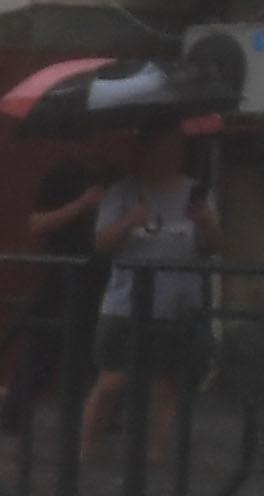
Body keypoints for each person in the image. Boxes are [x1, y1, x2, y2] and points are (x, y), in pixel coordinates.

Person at [84, 138, 215, 453]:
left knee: (166, 386)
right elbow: (101, 243)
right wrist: (130, 220)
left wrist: (208, 225)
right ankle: (89, 448)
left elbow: (212, 246)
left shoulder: (198, 194)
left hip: (178, 303)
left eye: (171, 148)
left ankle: (156, 456)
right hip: (126, 303)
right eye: (156, 148)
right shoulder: (122, 192)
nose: (165, 156)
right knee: (113, 381)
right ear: (144, 151)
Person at [3, 160, 101, 433]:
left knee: (100, 351)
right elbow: (37, 224)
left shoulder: (108, 177)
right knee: (45, 349)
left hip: (100, 275)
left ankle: (102, 417)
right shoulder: (59, 177)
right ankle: (15, 414)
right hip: (62, 277)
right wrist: (82, 204)